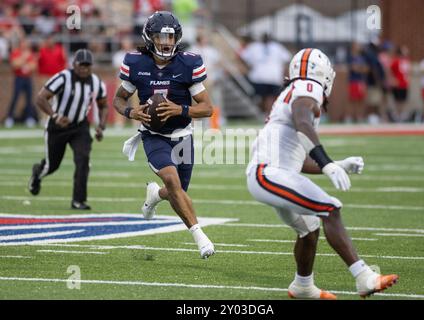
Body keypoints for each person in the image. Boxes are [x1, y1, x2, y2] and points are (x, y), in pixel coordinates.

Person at [246, 48, 398, 299]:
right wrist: (327, 163)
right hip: (268, 173)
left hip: (272, 173)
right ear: (325, 75)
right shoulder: (309, 86)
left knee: (309, 227)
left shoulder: (292, 90)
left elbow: (296, 160)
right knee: (330, 208)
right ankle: (364, 277)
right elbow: (302, 120)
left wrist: (338, 163)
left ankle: (302, 286)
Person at [113, 11, 215, 259]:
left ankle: (154, 196)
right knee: (171, 180)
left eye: (170, 37)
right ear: (150, 37)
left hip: (183, 134)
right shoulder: (137, 63)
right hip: (154, 134)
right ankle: (200, 236)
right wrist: (130, 111)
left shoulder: (187, 63)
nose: (166, 42)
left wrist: (180, 109)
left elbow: (207, 108)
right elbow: (119, 98)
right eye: (160, 36)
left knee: (175, 191)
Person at [28, 49, 108, 210]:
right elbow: (40, 98)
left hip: (80, 126)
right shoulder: (63, 77)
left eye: (87, 66)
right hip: (58, 126)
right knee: (52, 166)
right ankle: (38, 173)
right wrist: (55, 116)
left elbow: (103, 105)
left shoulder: (96, 82)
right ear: (74, 64)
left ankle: (78, 200)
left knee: (83, 160)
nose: (84, 69)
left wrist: (101, 126)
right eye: (81, 65)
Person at [240, 33, 291, 116]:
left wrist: (248, 67)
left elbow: (242, 57)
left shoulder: (254, 46)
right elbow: (287, 59)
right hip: (273, 76)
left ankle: (266, 114)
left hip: (259, 76)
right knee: (269, 97)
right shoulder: (277, 47)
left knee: (264, 97)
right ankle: (268, 114)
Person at [4, 37, 38, 128]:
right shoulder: (16, 52)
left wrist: (23, 62)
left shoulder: (30, 53)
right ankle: (9, 117)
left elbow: (33, 66)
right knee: (15, 98)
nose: (26, 45)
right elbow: (15, 64)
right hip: (19, 78)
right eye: (24, 43)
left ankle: (29, 118)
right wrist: (24, 58)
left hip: (28, 78)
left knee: (29, 98)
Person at [346, 42, 368, 123]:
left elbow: (366, 69)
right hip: (353, 81)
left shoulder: (362, 57)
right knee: (352, 99)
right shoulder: (350, 57)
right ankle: (349, 116)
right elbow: (353, 68)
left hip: (360, 81)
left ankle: (359, 116)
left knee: (360, 99)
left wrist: (359, 68)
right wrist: (360, 68)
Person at [390, 45, 411, 122]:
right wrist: (392, 79)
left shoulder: (407, 61)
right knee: (397, 100)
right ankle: (397, 114)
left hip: (405, 83)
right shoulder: (396, 61)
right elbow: (390, 70)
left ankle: (401, 114)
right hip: (398, 83)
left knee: (403, 100)